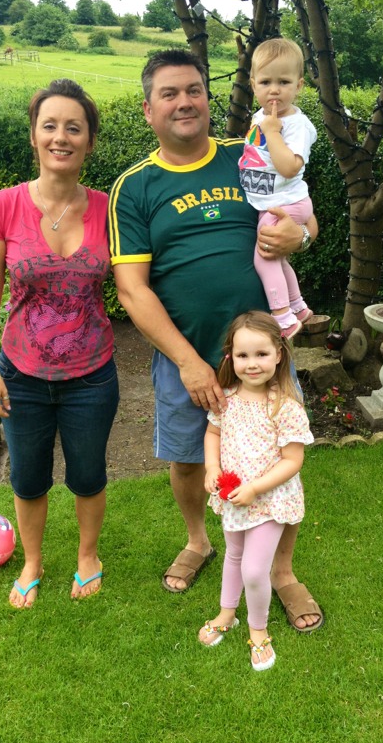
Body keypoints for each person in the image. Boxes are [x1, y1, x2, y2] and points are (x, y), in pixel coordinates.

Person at [109, 49, 323, 631]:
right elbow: (132, 289)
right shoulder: (136, 187)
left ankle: (282, 570)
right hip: (187, 356)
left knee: (281, 457)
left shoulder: (245, 151)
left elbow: (301, 211)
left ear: (209, 98)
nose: (185, 102)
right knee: (186, 457)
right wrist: (189, 362)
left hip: (265, 355)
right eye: (170, 93)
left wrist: (300, 238)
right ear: (148, 109)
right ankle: (198, 540)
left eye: (194, 90)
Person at [0, 79, 119, 609]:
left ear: (90, 141)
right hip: (21, 374)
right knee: (28, 477)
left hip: (92, 376)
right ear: (34, 135)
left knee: (88, 475)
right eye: (50, 125)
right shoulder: (1, 206)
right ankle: (32, 562)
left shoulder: (109, 208)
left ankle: (88, 555)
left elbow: (137, 280)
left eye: (74, 128)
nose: (61, 137)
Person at [199, 311, 314, 670]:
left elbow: (292, 460)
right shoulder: (226, 399)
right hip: (235, 496)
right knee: (234, 555)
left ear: (278, 354)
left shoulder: (285, 406)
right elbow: (213, 432)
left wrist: (255, 489)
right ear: (230, 357)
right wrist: (212, 467)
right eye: (243, 355)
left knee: (253, 569)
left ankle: (258, 630)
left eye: (261, 354)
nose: (251, 364)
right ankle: (227, 613)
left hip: (269, 500)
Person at [239, 38, 317, 339]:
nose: (274, 90)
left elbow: (289, 167)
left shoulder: (297, 125)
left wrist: (272, 133)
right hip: (271, 202)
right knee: (278, 258)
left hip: (288, 203)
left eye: (283, 82)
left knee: (264, 256)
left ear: (299, 85)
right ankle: (298, 307)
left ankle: (283, 318)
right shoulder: (260, 116)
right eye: (266, 82)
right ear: (253, 85)